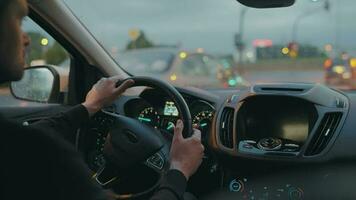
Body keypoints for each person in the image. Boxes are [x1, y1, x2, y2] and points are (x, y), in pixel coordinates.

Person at [0, 0, 204, 199]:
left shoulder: (18, 145)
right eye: (19, 21)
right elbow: (35, 140)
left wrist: (90, 106)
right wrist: (179, 170)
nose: (26, 39)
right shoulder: (40, 151)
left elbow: (36, 134)